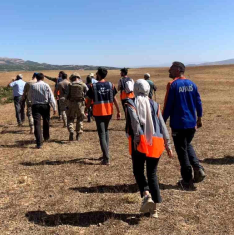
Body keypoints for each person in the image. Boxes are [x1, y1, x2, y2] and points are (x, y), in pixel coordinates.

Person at [124, 79, 174, 218]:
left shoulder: (130, 103)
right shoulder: (155, 105)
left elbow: (134, 123)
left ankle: (146, 195)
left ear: (135, 89)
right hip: (157, 142)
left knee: (138, 171)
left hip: (139, 143)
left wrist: (137, 139)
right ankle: (154, 210)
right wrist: (168, 144)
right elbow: (163, 125)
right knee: (152, 174)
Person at [163, 62, 205, 191]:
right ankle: (197, 168)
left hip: (179, 123)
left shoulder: (173, 85)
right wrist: (199, 118)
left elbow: (168, 105)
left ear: (177, 70)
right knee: (187, 145)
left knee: (181, 151)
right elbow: (198, 102)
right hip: (191, 123)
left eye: (170, 69)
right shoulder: (192, 84)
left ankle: (187, 181)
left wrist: (162, 121)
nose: (169, 71)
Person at [85, 67, 120, 165]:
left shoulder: (93, 86)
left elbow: (88, 100)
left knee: (101, 134)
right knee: (106, 131)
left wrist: (86, 109)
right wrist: (118, 110)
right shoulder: (111, 85)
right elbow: (115, 98)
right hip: (109, 112)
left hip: (98, 112)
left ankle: (106, 158)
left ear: (99, 75)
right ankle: (105, 153)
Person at [28, 73, 57, 149]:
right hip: (45, 105)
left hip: (36, 106)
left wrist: (31, 101)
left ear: (36, 78)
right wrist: (54, 107)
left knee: (37, 124)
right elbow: (51, 97)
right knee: (46, 121)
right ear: (43, 78)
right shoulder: (46, 85)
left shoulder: (33, 86)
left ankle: (39, 143)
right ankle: (46, 137)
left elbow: (29, 96)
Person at [64, 73, 88, 141]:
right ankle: (78, 134)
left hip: (71, 103)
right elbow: (87, 94)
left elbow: (66, 95)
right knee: (80, 119)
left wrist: (66, 104)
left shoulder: (70, 85)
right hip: (80, 104)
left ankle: (71, 131)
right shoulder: (83, 84)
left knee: (70, 118)